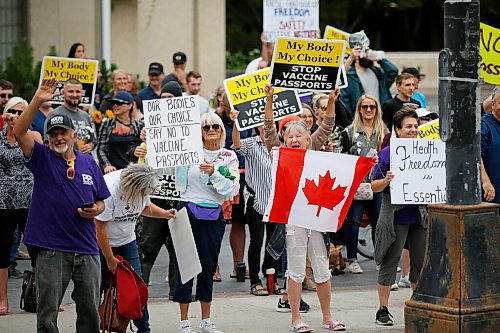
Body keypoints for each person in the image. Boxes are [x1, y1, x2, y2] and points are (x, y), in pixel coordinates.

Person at [13, 78, 111, 332]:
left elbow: (102, 201)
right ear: (47, 138)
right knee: (47, 314)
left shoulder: (88, 162)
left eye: (63, 133)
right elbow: (19, 132)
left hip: (87, 248)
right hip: (51, 249)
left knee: (90, 311)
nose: (58, 138)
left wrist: (96, 210)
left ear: (74, 134)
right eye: (53, 134)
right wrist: (37, 100)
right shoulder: (42, 158)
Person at [265, 84, 346, 332]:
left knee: (322, 267)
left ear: (308, 138)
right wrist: (269, 100)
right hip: (293, 219)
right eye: (289, 135)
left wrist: (331, 100)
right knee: (296, 269)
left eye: (298, 135)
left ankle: (327, 318)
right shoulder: (278, 152)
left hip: (317, 218)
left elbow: (328, 125)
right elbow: (269, 129)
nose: (294, 139)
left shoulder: (314, 148)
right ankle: (296, 319)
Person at [174, 112, 240, 333]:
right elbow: (163, 169)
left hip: (213, 213)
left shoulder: (228, 155)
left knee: (207, 266)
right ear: (199, 132)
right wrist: (146, 146)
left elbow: (231, 189)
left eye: (216, 126)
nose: (211, 130)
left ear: (222, 130)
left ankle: (206, 321)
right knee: (186, 266)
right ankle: (184, 322)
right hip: (186, 209)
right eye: (206, 127)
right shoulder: (187, 152)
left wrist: (214, 173)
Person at [95, 163, 176, 333]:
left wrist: (165, 213)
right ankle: (95, 325)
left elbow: (146, 208)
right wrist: (110, 258)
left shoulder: (143, 185)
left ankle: (144, 329)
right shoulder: (110, 189)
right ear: (134, 187)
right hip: (101, 243)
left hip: (127, 240)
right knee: (97, 287)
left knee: (138, 287)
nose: (147, 195)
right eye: (145, 193)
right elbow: (99, 229)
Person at [371, 108, 428, 326]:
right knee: (390, 260)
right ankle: (383, 309)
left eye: (416, 126)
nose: (413, 130)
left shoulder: (427, 151)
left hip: (419, 216)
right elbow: (374, 186)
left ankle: (418, 305)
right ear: (397, 130)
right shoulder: (387, 153)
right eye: (408, 127)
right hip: (395, 217)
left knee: (420, 263)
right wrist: (386, 180)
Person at [133, 81, 183, 301]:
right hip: (155, 192)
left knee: (177, 247)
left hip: (180, 194)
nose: (166, 101)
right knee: (147, 247)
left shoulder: (190, 126)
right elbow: (139, 157)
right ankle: (139, 293)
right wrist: (140, 145)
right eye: (163, 98)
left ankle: (176, 292)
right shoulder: (147, 127)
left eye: (171, 98)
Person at [230, 116, 284, 297]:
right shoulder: (252, 144)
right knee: (257, 241)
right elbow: (236, 145)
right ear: (257, 127)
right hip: (256, 200)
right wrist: (236, 123)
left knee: (274, 242)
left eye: (270, 123)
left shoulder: (280, 146)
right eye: (262, 123)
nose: (267, 127)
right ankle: (255, 280)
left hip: (276, 202)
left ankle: (272, 277)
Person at [0, 97, 42, 315]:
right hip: (3, 202)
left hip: (31, 200)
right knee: (2, 251)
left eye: (21, 112)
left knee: (37, 249)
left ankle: (43, 296)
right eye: (12, 112)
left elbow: (44, 159)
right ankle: (3, 299)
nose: (16, 116)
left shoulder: (32, 135)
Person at [339, 94, 388, 274]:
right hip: (358, 183)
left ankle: (381, 258)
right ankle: (352, 258)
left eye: (372, 107)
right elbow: (342, 155)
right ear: (359, 109)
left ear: (377, 110)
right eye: (365, 106)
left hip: (377, 181)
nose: (368, 110)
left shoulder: (384, 131)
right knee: (354, 221)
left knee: (379, 221)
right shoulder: (349, 132)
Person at [217, 92, 253, 280]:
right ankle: (214, 267)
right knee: (216, 220)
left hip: (242, 174)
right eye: (227, 101)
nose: (231, 105)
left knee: (239, 222)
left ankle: (238, 265)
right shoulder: (213, 120)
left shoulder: (246, 119)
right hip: (218, 176)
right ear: (220, 102)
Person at [341, 31, 398, 118]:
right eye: (364, 51)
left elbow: (393, 72)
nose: (367, 55)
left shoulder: (377, 72)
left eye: (368, 50)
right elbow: (344, 99)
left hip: (380, 118)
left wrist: (380, 60)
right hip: (360, 119)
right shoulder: (349, 76)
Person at [43, 78, 96, 153]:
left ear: (82, 94)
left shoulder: (85, 115)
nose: (74, 95)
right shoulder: (54, 114)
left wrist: (91, 145)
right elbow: (47, 143)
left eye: (78, 92)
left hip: (84, 161)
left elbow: (93, 140)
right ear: (63, 93)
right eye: (71, 91)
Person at [97, 91, 144, 173]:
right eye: (113, 103)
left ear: (130, 105)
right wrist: (106, 165)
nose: (115, 106)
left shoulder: (140, 125)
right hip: (112, 171)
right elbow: (101, 149)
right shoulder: (107, 124)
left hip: (133, 172)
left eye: (119, 103)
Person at [481, 86, 500, 204]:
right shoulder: (484, 124)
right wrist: (486, 182)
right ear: (492, 105)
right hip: (492, 194)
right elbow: (476, 156)